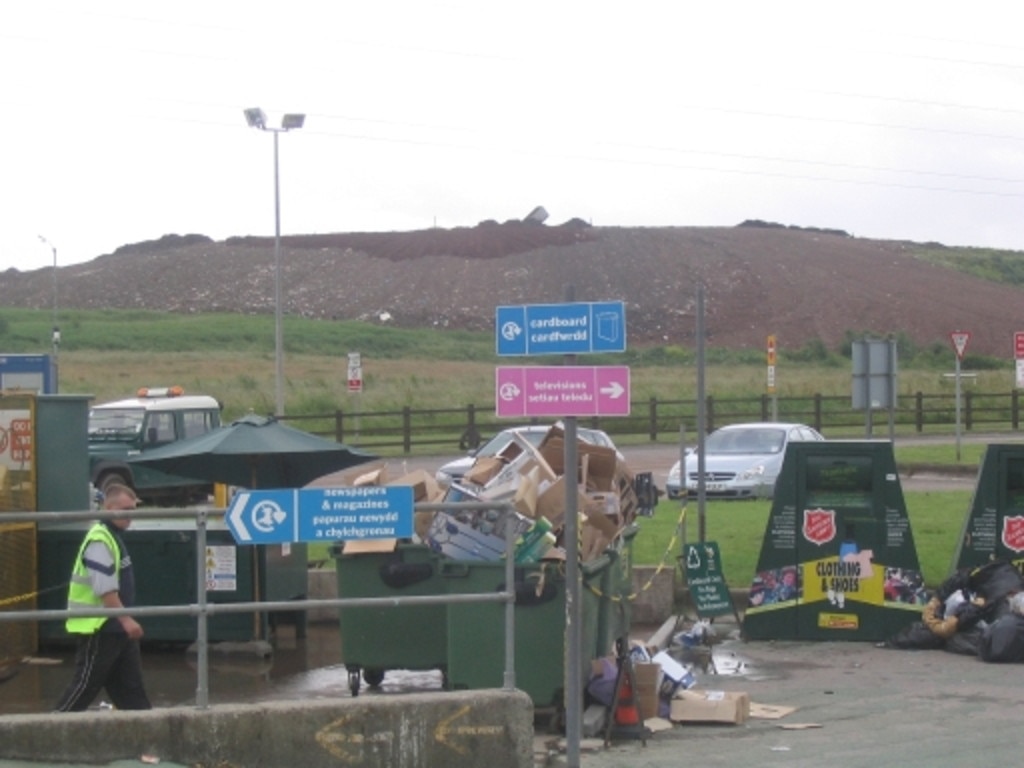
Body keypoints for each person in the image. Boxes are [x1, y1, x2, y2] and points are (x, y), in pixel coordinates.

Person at [54, 483, 152, 711]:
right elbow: (105, 589)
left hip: (115, 628)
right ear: (109, 508)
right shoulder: (100, 540)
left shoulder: (111, 536)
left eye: (133, 510)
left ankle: (146, 742)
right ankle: (47, 735)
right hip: (100, 628)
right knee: (83, 688)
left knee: (132, 693)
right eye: (125, 510)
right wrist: (126, 620)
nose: (130, 516)